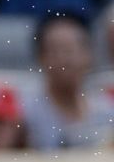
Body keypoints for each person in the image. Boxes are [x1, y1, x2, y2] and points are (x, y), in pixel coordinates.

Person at [22, 12, 114, 150]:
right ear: (41, 57)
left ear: (89, 55)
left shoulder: (107, 111)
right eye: (56, 51)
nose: (66, 60)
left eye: (72, 50)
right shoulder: (25, 116)